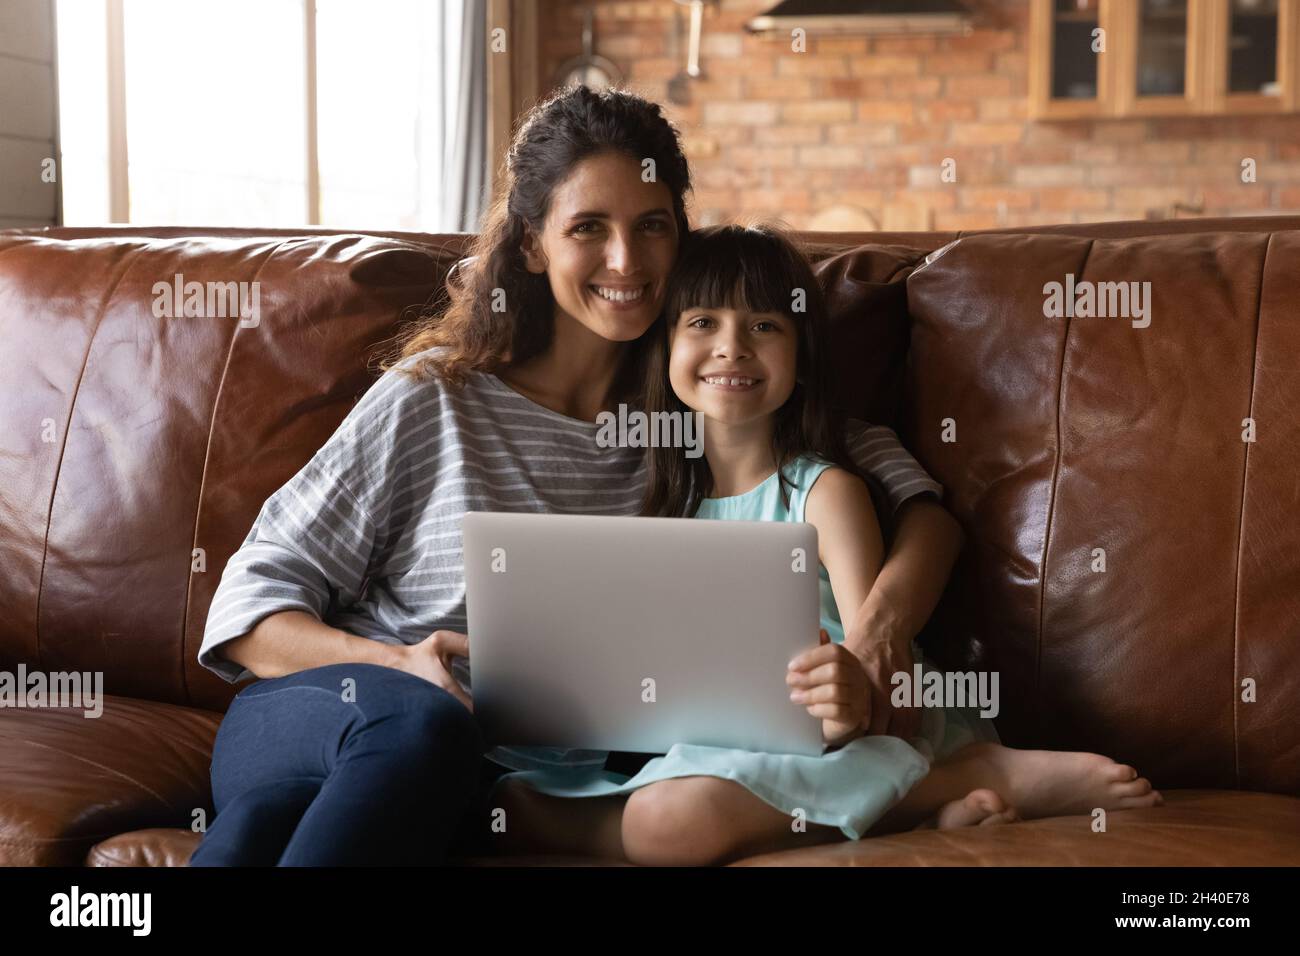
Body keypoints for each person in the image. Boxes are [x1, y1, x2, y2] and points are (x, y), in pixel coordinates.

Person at [191, 85, 974, 866]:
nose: (626, 261)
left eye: (652, 227)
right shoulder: (434, 397)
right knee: (427, 729)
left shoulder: (700, 406)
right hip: (331, 709)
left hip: (497, 774)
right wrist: (397, 665)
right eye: (588, 229)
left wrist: (878, 631)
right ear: (532, 244)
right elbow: (250, 610)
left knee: (266, 832)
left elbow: (921, 511)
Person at [489, 224, 1164, 866]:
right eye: (702, 323)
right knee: (509, 802)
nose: (732, 348)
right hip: (711, 747)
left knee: (668, 826)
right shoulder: (664, 504)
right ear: (663, 348)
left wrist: (844, 694)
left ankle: (962, 778)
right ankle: (916, 813)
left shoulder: (825, 492)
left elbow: (871, 666)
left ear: (802, 355)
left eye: (764, 326)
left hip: (854, 737)